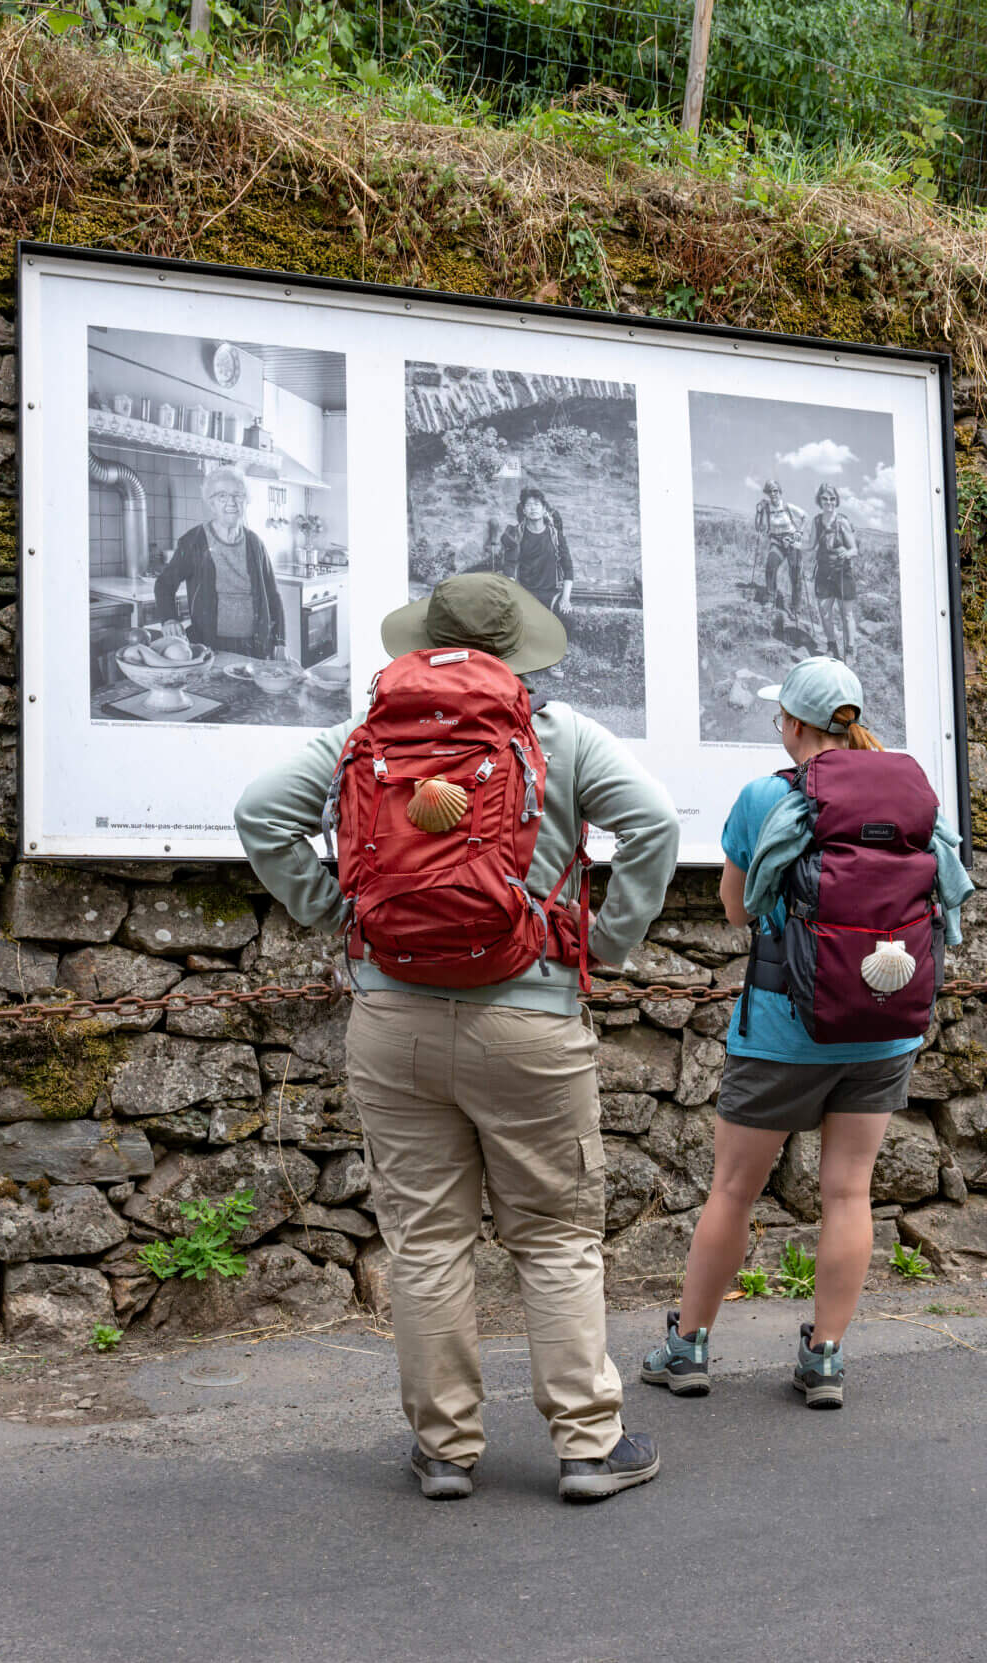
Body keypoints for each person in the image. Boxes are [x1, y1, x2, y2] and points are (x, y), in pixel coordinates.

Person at [235, 572, 682, 1504]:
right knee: (556, 1235)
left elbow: (262, 811)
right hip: (530, 1017)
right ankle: (588, 1446)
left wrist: (334, 908)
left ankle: (445, 1450)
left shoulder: (364, 737)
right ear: (522, 651)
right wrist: (600, 941)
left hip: (391, 1017)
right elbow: (654, 824)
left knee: (427, 1239)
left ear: (423, 645)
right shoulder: (558, 735)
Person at [641, 657, 972, 1411]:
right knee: (849, 1190)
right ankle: (824, 1357)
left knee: (733, 1188)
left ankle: (687, 1347)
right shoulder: (911, 795)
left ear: (793, 723)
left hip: (783, 1029)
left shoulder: (767, 797)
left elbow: (734, 908)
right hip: (884, 1025)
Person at [154, 464, 285, 661]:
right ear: (211, 503)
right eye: (222, 496)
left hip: (256, 646)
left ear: (246, 501)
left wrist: (280, 642)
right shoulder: (194, 541)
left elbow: (273, 596)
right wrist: (169, 618)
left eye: (238, 495)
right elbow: (164, 584)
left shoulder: (255, 543)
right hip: (210, 646)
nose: (231, 502)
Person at [496, 485, 576, 616]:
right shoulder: (516, 534)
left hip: (551, 594)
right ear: (524, 510)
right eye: (528, 505)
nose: (533, 508)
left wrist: (565, 599)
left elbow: (568, 568)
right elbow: (509, 567)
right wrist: (511, 596)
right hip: (524, 592)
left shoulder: (556, 535)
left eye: (537, 504)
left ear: (544, 509)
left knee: (568, 617)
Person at [811, 483, 860, 662]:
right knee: (824, 612)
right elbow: (810, 545)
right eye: (825, 498)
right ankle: (832, 646)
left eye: (832, 498)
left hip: (842, 572)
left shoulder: (842, 522)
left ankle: (849, 650)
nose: (829, 502)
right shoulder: (816, 521)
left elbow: (854, 549)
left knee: (846, 614)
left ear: (836, 500)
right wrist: (794, 544)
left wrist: (847, 553)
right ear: (820, 500)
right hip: (823, 572)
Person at [752, 479, 807, 615]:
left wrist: (799, 532)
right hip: (776, 541)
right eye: (769, 491)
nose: (773, 494)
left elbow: (805, 517)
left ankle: (796, 606)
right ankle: (770, 598)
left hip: (791, 541)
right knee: (771, 565)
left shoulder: (787, 506)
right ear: (767, 493)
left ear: (780, 491)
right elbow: (759, 528)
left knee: (795, 573)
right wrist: (758, 512)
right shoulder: (766, 508)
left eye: (775, 490)